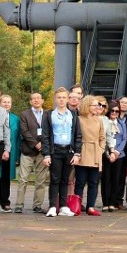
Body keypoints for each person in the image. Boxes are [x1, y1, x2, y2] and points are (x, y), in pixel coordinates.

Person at [41, 87, 82, 217]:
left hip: (68, 151)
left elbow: (77, 135)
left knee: (65, 179)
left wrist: (77, 153)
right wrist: (46, 154)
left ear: (68, 99)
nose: (61, 100)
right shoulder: (48, 115)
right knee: (55, 179)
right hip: (55, 150)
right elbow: (45, 135)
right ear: (55, 99)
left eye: (64, 97)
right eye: (59, 97)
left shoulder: (73, 115)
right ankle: (53, 206)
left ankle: (63, 206)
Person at [72, 96, 107, 216]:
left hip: (96, 152)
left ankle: (90, 206)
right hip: (82, 151)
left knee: (94, 181)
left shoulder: (99, 120)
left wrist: (101, 149)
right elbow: (75, 136)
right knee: (80, 182)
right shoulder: (78, 119)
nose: (97, 107)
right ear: (87, 106)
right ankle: (77, 205)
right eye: (94, 105)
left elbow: (102, 137)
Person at [15, 92, 49, 214]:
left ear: (42, 100)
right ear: (30, 101)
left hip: (43, 152)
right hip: (28, 151)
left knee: (40, 180)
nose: (36, 100)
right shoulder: (24, 114)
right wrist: (35, 144)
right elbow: (24, 131)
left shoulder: (48, 114)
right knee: (23, 179)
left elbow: (50, 131)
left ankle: (37, 205)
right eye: (33, 99)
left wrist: (43, 146)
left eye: (38, 98)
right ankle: (19, 204)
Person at [101, 98, 127, 212]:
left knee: (116, 179)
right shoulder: (104, 122)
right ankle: (105, 202)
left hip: (119, 155)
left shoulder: (121, 123)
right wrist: (108, 153)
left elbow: (125, 138)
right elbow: (103, 139)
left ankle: (112, 203)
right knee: (106, 178)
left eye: (117, 111)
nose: (114, 113)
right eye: (112, 111)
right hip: (106, 154)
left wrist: (117, 152)